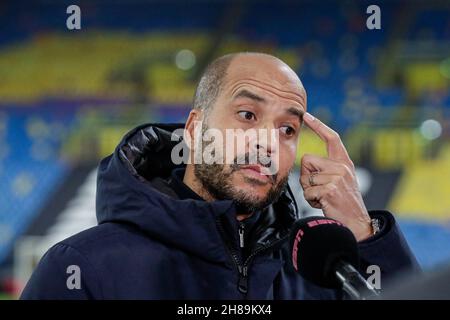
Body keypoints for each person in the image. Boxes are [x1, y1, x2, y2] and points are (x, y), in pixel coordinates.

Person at [21, 52, 419, 299]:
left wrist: (364, 235)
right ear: (195, 128)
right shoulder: (83, 267)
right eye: (247, 115)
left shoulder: (324, 271)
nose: (267, 143)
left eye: (288, 130)